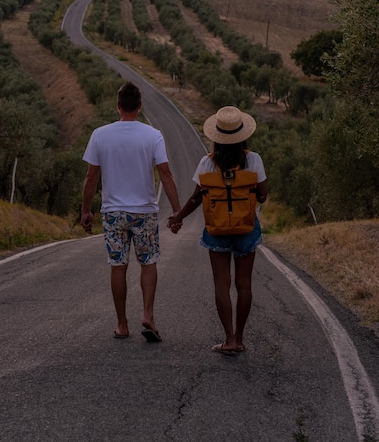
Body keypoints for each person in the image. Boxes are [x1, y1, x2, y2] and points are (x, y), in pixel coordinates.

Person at [81, 81, 181, 343]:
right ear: (140, 106)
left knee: (118, 266)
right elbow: (166, 174)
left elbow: (91, 178)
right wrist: (178, 210)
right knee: (148, 262)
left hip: (113, 212)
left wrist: (86, 211)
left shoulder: (100, 135)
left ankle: (122, 324)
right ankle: (148, 315)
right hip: (144, 212)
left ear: (118, 106)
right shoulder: (153, 135)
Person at [168, 106, 267, 356]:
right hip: (246, 228)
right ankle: (241, 339)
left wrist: (178, 218)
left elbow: (196, 198)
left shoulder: (206, 162)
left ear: (216, 136)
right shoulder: (253, 159)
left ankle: (229, 339)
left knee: (221, 284)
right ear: (243, 134)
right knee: (244, 285)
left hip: (217, 229)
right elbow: (263, 196)